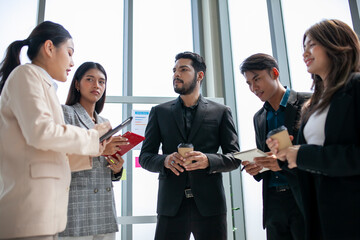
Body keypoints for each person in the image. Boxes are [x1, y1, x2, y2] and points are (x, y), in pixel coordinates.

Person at [0, 21, 111, 240]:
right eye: (69, 53)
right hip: (29, 212)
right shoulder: (26, 75)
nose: (72, 62)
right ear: (49, 48)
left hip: (44, 214)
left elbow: (51, 155)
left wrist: (95, 150)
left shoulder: (43, 83)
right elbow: (41, 131)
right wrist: (92, 137)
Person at [266, 19, 360, 240]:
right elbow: (310, 163)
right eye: (303, 47)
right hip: (319, 215)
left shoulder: (356, 87)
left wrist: (302, 154)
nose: (305, 53)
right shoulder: (312, 105)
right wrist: (286, 155)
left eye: (312, 45)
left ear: (335, 44)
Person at [139, 51, 240, 240]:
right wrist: (165, 160)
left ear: (200, 75)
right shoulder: (159, 112)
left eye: (183, 69)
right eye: (174, 70)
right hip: (171, 206)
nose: (176, 74)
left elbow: (234, 157)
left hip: (210, 206)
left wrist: (208, 160)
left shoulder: (221, 112)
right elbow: (145, 157)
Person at [239, 53, 310, 240]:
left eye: (257, 79)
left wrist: (283, 161)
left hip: (303, 197)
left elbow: (317, 153)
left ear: (275, 73)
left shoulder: (308, 102)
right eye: (248, 84)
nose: (253, 88)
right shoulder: (259, 117)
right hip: (273, 204)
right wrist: (256, 168)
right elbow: (266, 156)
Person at [59, 62, 128, 240]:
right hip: (77, 206)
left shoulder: (104, 121)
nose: (97, 85)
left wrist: (117, 168)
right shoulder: (65, 113)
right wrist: (100, 150)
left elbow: (103, 165)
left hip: (104, 207)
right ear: (77, 84)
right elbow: (60, 158)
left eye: (101, 82)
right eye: (90, 79)